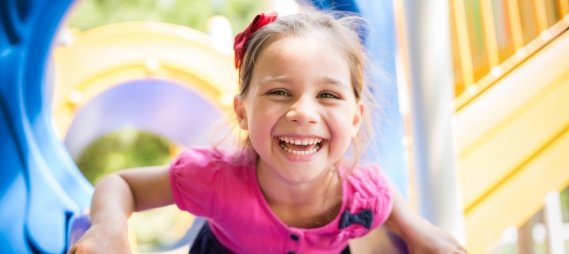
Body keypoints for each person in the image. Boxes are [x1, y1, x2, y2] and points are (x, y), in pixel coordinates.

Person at [69, 10, 467, 254]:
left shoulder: (360, 196)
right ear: (242, 112)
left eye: (328, 94)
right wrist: (108, 229)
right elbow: (123, 184)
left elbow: (384, 194)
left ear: (356, 117)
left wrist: (420, 231)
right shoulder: (213, 179)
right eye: (279, 92)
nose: (302, 112)